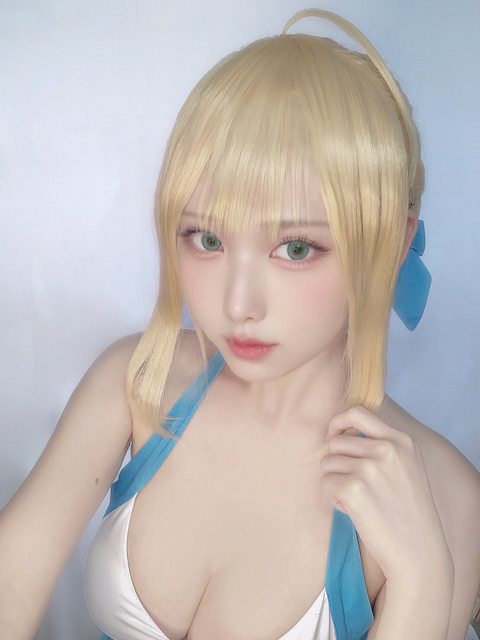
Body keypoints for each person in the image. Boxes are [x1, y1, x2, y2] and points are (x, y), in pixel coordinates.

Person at [1, 7, 479, 640]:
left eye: (296, 249)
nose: (237, 304)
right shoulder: (140, 378)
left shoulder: (446, 494)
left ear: (394, 240)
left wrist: (422, 578)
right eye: (206, 238)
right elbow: (11, 583)